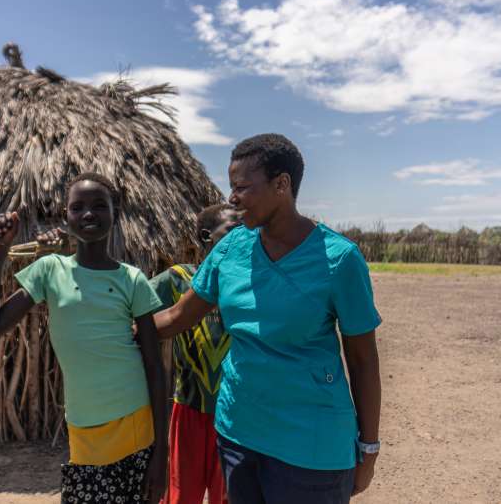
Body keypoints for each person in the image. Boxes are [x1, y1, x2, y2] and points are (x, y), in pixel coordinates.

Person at [153, 134, 382, 504]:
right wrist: (119, 329)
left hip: (311, 447)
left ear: (282, 184)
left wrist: (369, 448)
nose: (232, 198)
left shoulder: (339, 260)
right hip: (238, 435)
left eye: (242, 187)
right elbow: (179, 315)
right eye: (232, 187)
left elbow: (363, 359)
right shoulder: (231, 248)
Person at [0, 172, 168, 504]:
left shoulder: (132, 279)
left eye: (99, 206)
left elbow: (155, 365)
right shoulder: (50, 270)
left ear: (114, 214)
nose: (88, 214)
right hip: (82, 424)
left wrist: (162, 454)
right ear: (66, 217)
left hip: (134, 422)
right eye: (78, 207)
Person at [151, 204, 239, 504]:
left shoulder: (249, 283)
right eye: (232, 231)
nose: (242, 237)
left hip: (235, 414)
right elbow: (135, 309)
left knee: (227, 496)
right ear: (205, 237)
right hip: (188, 407)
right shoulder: (177, 280)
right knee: (180, 495)